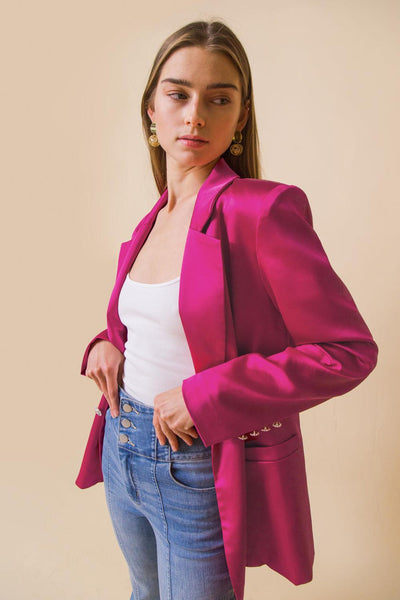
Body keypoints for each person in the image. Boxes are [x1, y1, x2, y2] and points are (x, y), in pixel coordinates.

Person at [76, 19, 379, 600]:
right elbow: (150, 323)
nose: (195, 115)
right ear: (151, 110)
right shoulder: (153, 219)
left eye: (219, 99)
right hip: (122, 448)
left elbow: (348, 352)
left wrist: (204, 398)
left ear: (240, 117)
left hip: (192, 468)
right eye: (179, 94)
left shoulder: (261, 212)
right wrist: (103, 344)